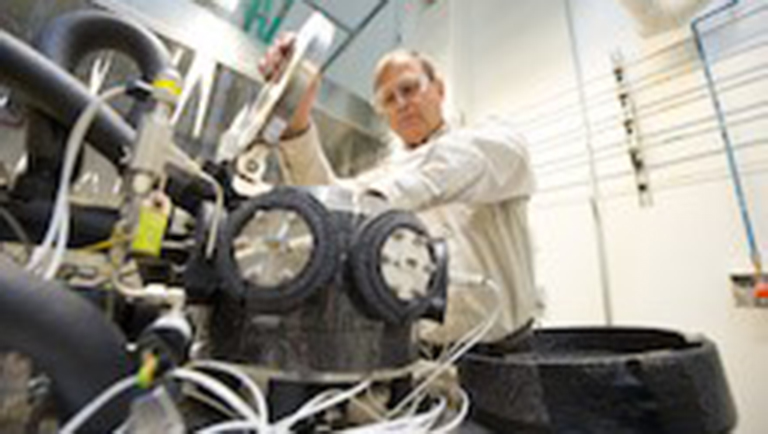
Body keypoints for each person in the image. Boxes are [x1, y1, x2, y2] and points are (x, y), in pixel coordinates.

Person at [258, 35, 541, 350]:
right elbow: (328, 202)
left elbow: (446, 167)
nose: (401, 104)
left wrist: (372, 203)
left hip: (506, 361)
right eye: (388, 100)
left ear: (439, 88)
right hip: (420, 364)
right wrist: (296, 121)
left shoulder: (491, 143)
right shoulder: (388, 175)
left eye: (409, 89)